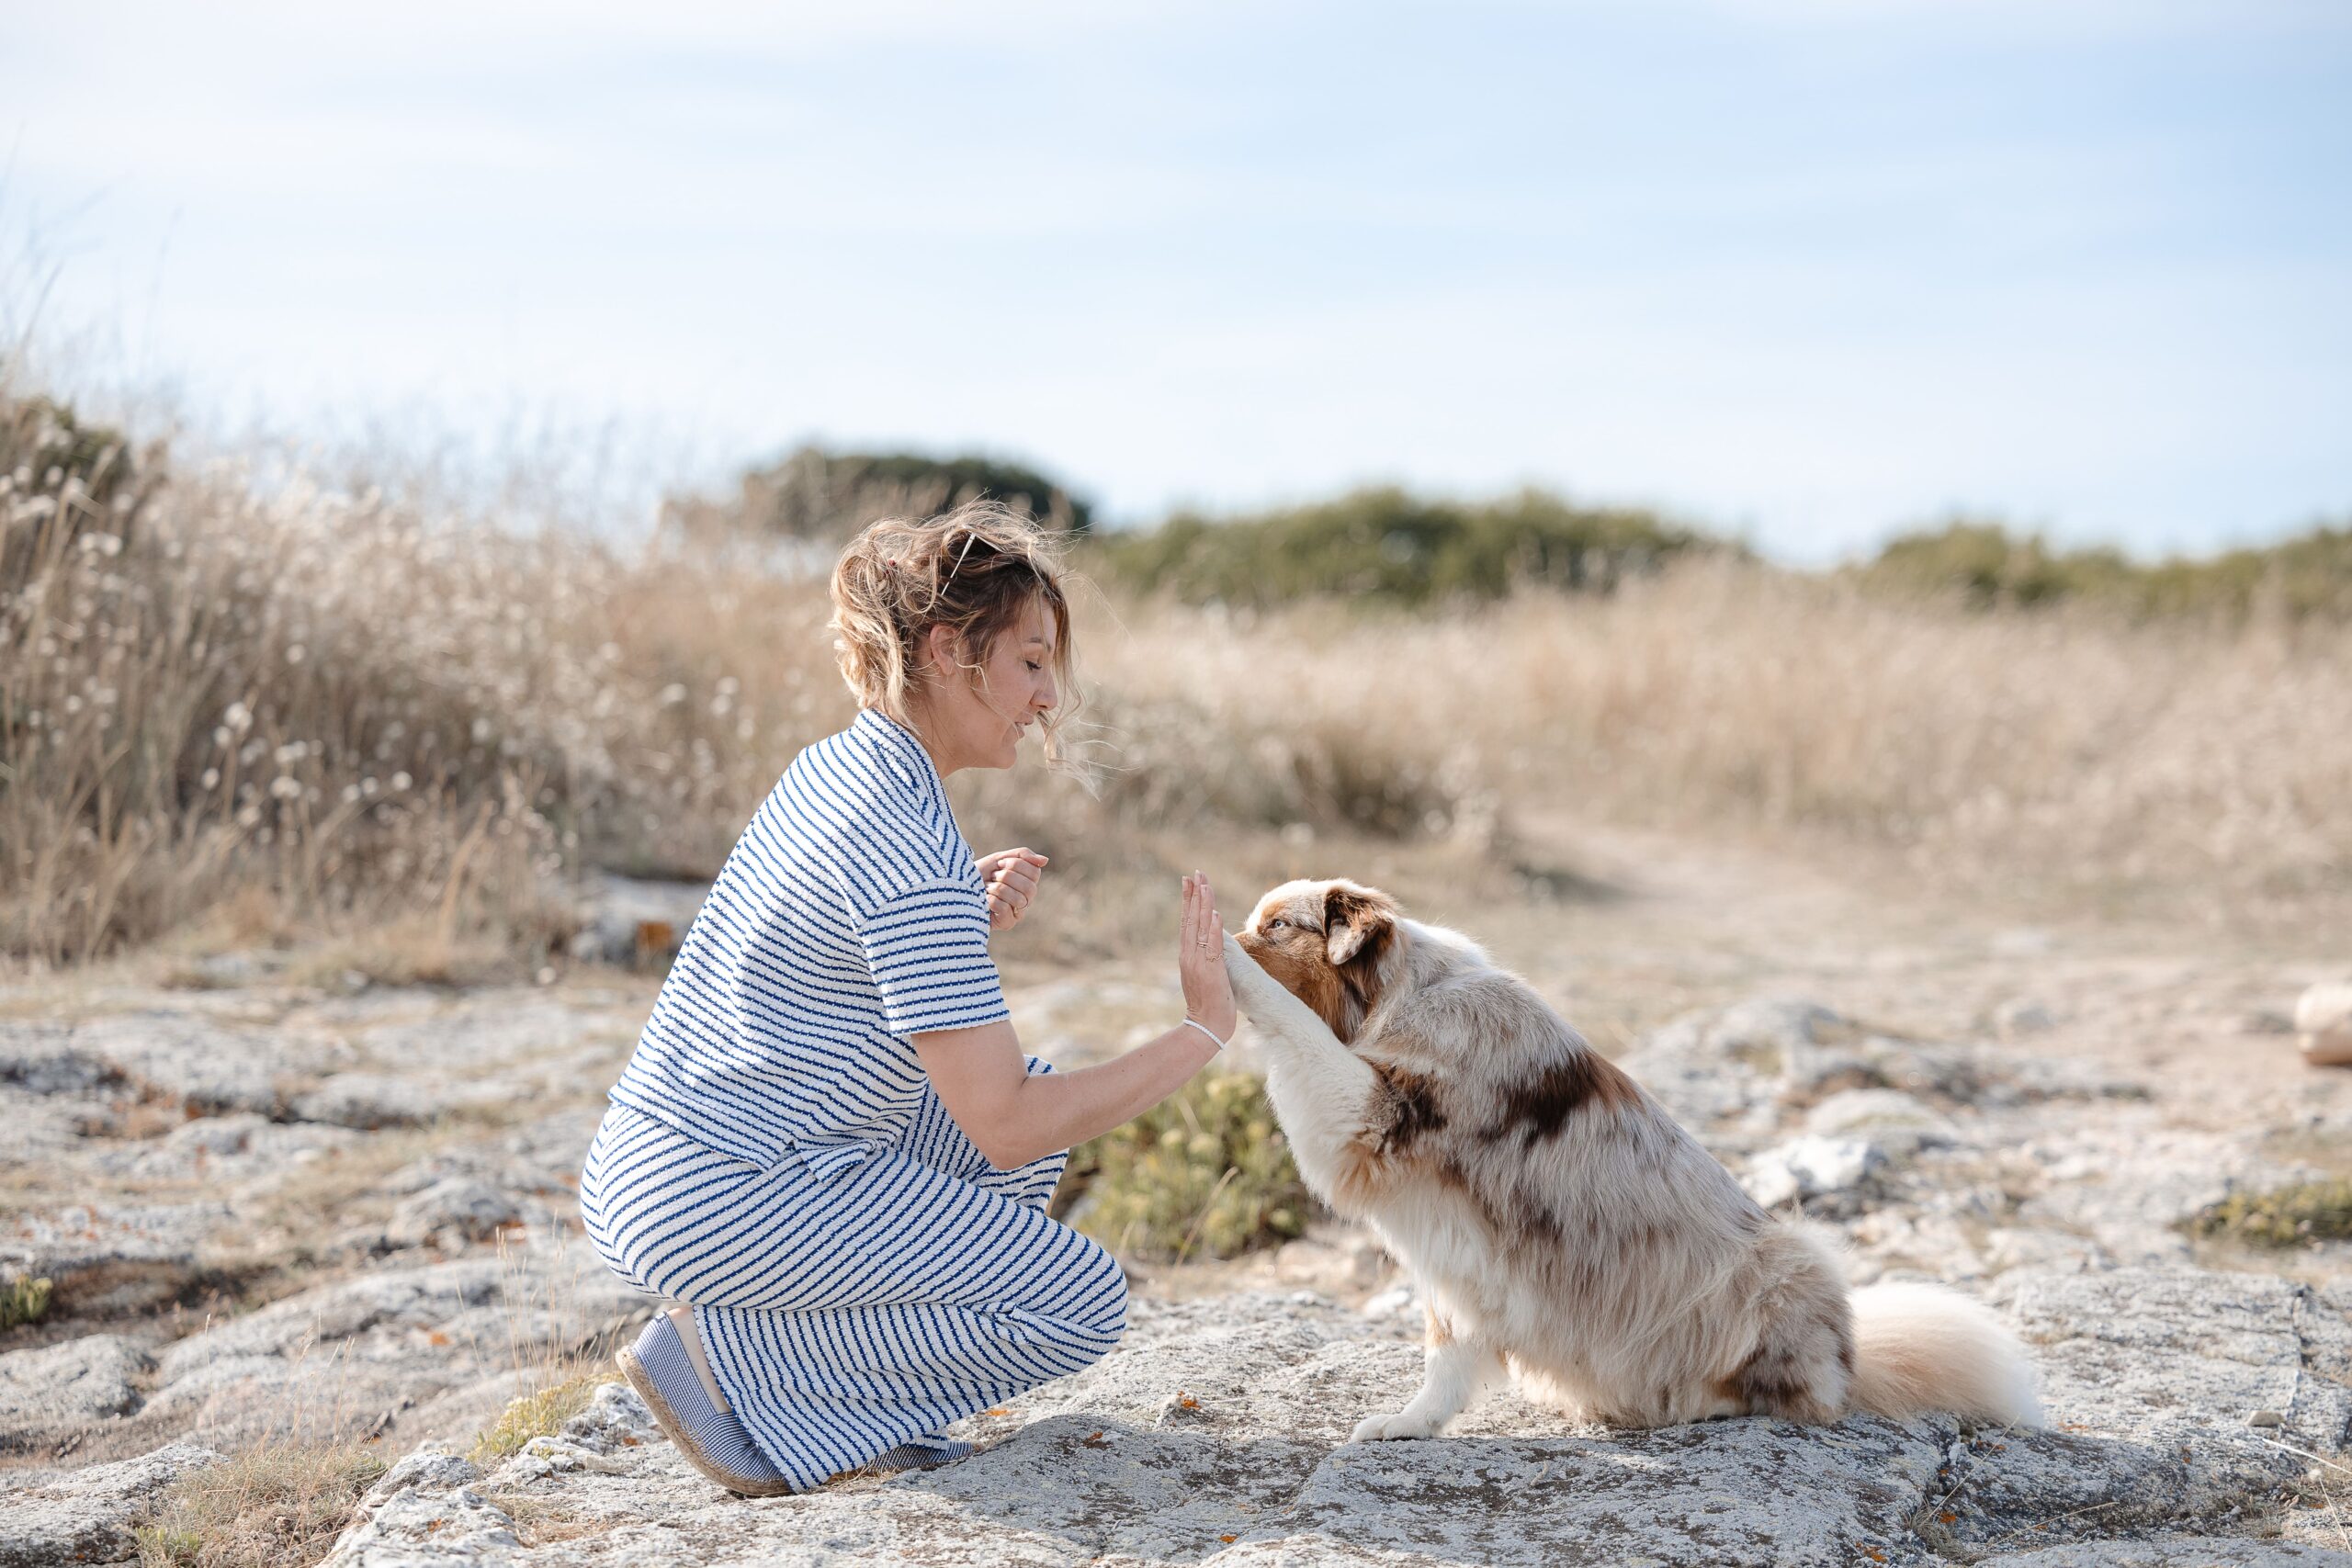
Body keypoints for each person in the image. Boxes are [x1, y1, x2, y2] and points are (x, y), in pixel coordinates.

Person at [577, 500, 1238, 1495]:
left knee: (1017, 1150)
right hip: (721, 1196)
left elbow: (819, 946)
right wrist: (1200, 1030)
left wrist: (954, 915)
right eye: (1028, 661)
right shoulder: (908, 848)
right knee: (1078, 1300)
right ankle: (722, 1366)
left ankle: (792, 1394)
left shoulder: (842, 770)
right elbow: (1005, 1120)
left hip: (657, 1169)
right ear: (943, 651)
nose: (1048, 695)